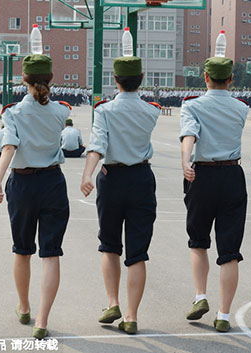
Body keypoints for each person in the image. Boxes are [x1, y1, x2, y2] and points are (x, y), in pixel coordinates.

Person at [0, 54, 71, 340]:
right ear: (50, 79)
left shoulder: (12, 112)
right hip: (52, 182)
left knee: (22, 249)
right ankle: (42, 319)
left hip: (23, 184)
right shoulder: (62, 111)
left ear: (22, 80)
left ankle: (24, 307)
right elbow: (53, 113)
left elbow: (9, 147)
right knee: (51, 254)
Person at [81, 55, 159, 335]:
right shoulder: (152, 111)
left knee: (110, 244)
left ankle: (112, 302)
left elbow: (97, 145)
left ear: (115, 81)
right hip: (141, 178)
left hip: (111, 179)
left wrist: (87, 174)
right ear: (141, 81)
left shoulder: (104, 111)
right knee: (137, 252)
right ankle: (131, 315)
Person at [179, 57, 250, 333]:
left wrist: (186, 160)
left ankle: (200, 295)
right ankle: (224, 314)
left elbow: (189, 135)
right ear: (231, 79)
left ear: (205, 77)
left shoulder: (192, 106)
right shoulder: (242, 108)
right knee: (230, 251)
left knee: (198, 241)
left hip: (202, 174)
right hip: (232, 175)